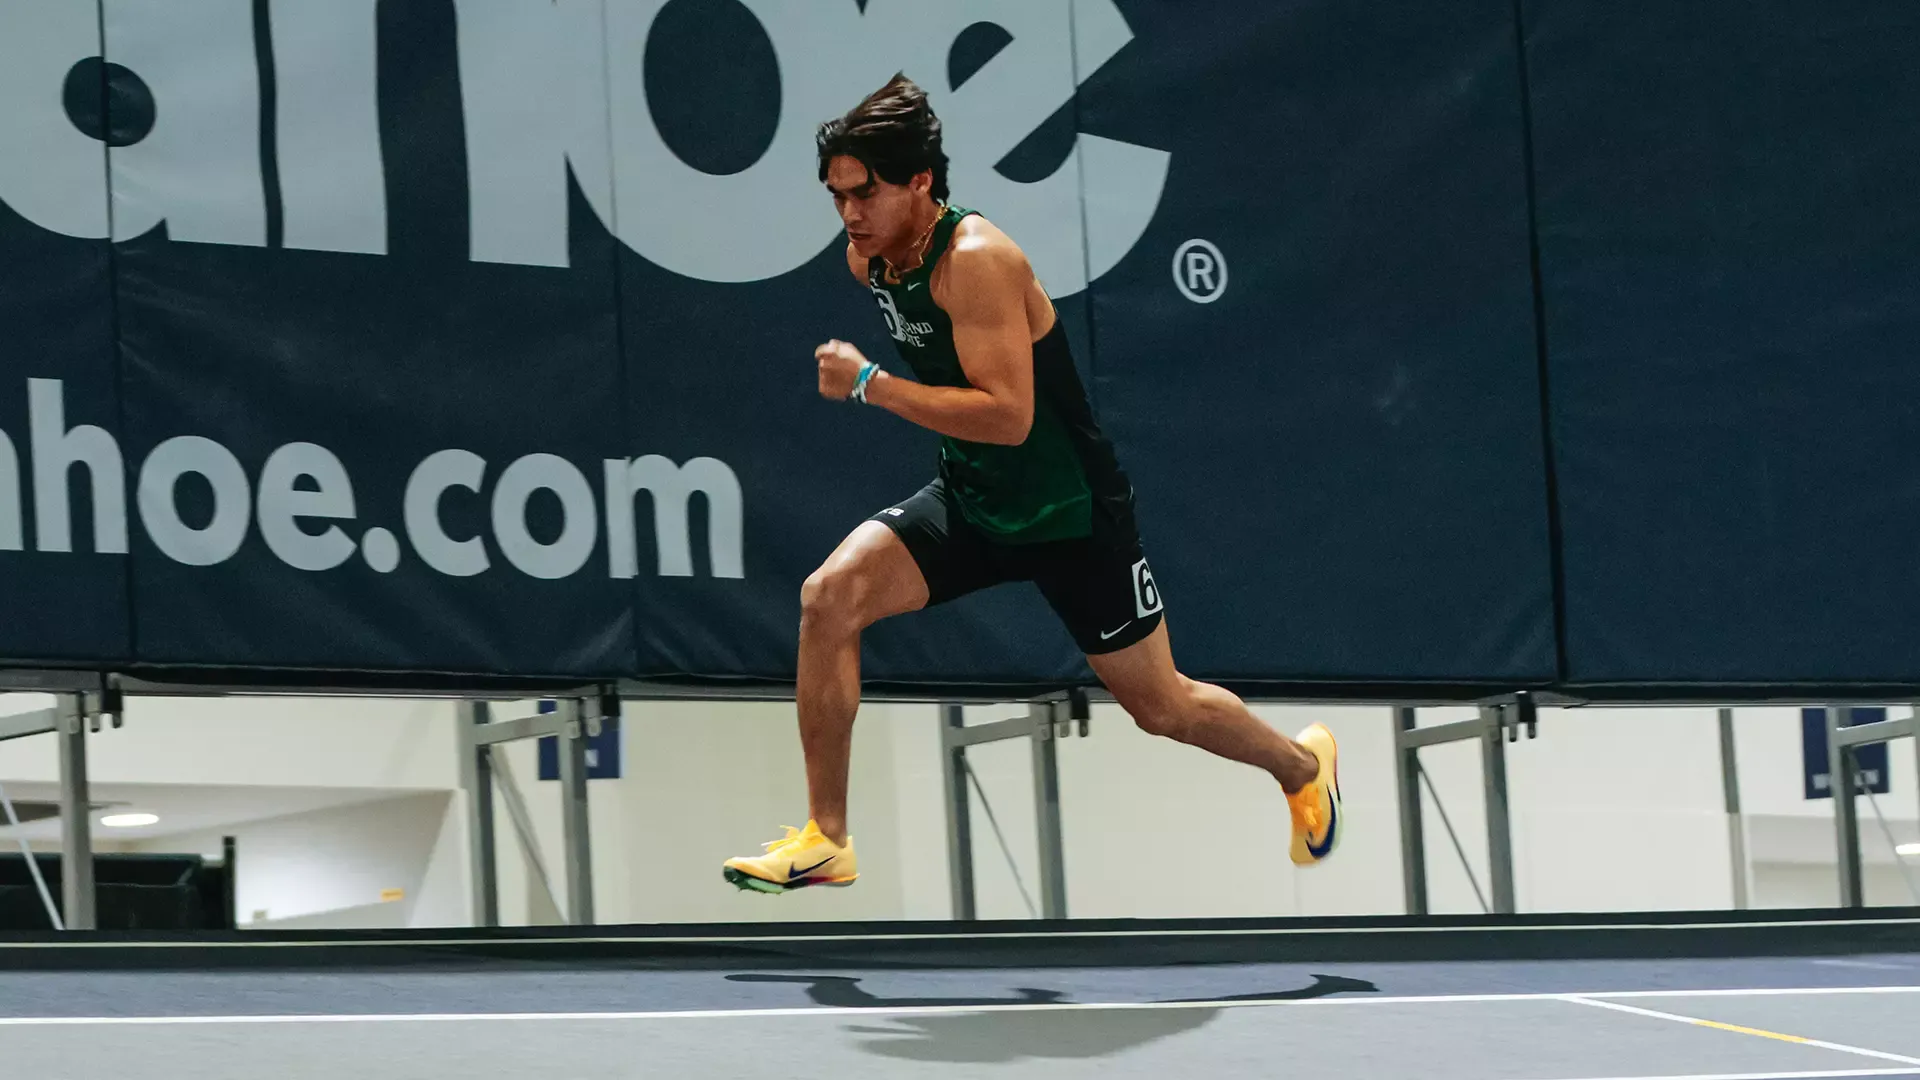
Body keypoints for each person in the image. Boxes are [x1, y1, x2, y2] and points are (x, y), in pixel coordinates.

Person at [722, 74, 1340, 894]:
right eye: (837, 196)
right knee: (828, 598)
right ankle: (827, 838)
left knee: (1162, 708)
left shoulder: (977, 259)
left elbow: (1009, 416)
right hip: (974, 499)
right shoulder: (867, 260)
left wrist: (872, 383)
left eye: (864, 193)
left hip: (1070, 514)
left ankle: (1300, 766)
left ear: (920, 183)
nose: (849, 215)